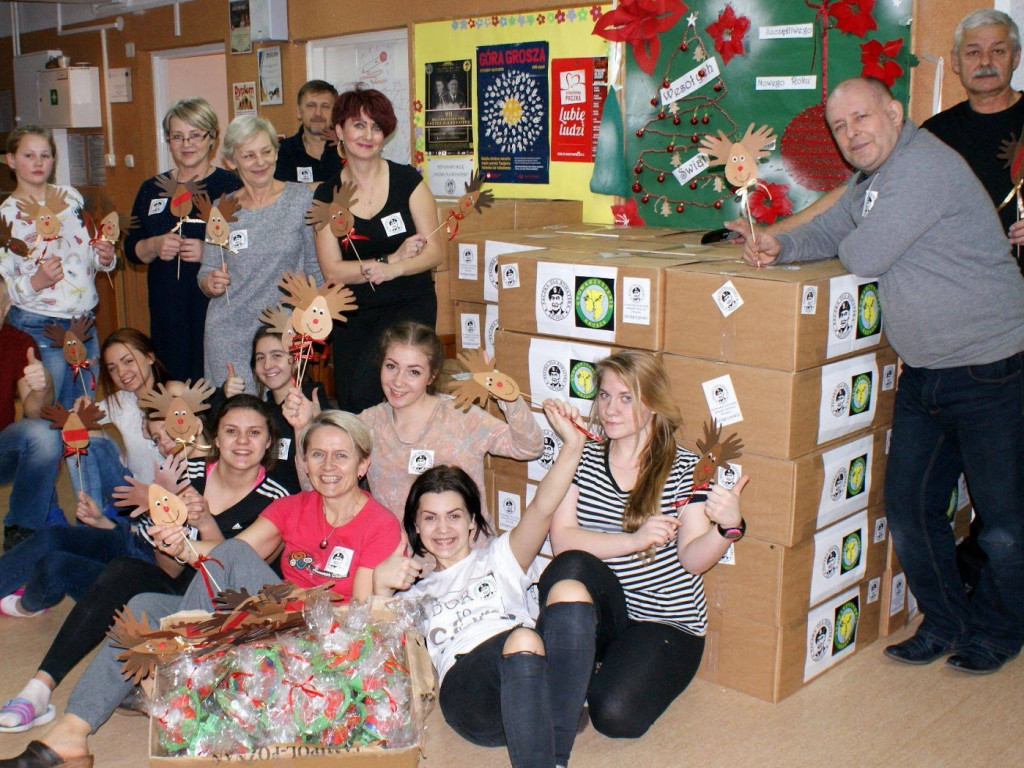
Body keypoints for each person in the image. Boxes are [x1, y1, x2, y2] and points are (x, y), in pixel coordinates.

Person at [730, 76, 1024, 675]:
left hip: (990, 370)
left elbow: (863, 254)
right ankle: (946, 623)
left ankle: (1000, 629)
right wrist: (778, 248)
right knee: (911, 509)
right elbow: (834, 230)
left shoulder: (921, 169)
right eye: (839, 127)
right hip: (926, 371)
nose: (851, 134)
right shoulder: (876, 178)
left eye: (860, 118)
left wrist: (829, 236)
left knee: (1004, 524)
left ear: (894, 114)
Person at [0, 410, 399, 767]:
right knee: (145, 605)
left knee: (230, 561)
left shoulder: (379, 523)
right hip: (268, 621)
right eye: (317, 455)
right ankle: (72, 730)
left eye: (341, 455)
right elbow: (232, 552)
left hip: (320, 639)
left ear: (363, 464)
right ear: (305, 463)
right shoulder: (294, 506)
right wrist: (181, 544)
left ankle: (174, 674)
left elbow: (359, 619)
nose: (328, 466)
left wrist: (206, 555)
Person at [0, 394, 289, 737]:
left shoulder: (277, 498)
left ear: (269, 441)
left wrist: (206, 522)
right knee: (114, 570)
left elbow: (233, 570)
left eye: (254, 433)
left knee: (117, 578)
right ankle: (38, 688)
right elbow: (167, 569)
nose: (242, 441)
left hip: (219, 606)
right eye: (231, 431)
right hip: (173, 586)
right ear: (216, 436)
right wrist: (166, 529)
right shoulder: (188, 472)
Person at [372, 400, 590, 768]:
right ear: (417, 527)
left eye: (454, 516)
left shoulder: (499, 557)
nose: (443, 529)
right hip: (472, 695)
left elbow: (542, 508)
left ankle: (553, 758)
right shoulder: (415, 591)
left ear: (473, 522)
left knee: (571, 591)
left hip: (533, 678)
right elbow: (373, 655)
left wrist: (573, 446)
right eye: (430, 519)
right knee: (524, 636)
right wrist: (380, 588)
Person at [547, 350, 748, 737]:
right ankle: (573, 673)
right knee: (568, 568)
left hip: (666, 620)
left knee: (615, 716)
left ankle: (584, 670)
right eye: (604, 396)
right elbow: (562, 541)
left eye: (626, 398)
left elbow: (692, 559)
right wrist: (633, 540)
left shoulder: (685, 466)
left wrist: (727, 529)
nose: (610, 409)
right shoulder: (582, 456)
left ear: (653, 404)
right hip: (606, 613)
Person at [313, 87, 443, 412]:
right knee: (355, 400)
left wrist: (394, 269)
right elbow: (332, 269)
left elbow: (435, 251)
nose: (368, 135)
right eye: (358, 125)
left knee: (400, 398)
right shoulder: (327, 194)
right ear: (340, 131)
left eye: (376, 127)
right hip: (354, 313)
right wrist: (388, 258)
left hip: (409, 305)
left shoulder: (408, 181)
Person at [355, 321, 542, 521]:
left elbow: (529, 447)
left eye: (414, 372)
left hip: (464, 549)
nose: (398, 381)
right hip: (397, 550)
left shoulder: (461, 415)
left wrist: (508, 395)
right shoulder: (367, 424)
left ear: (431, 376)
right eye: (391, 366)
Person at [198, 115, 322, 393]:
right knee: (235, 418)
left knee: (279, 418)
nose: (260, 162)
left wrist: (315, 319)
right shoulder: (222, 210)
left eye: (267, 152)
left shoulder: (301, 200)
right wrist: (210, 282)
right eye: (249, 155)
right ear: (231, 161)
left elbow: (316, 270)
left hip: (282, 332)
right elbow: (206, 273)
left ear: (276, 153)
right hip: (229, 332)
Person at [124, 98, 242, 382]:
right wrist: (153, 245)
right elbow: (131, 248)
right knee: (174, 387)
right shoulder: (152, 188)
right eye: (177, 136)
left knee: (215, 386)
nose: (186, 144)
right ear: (168, 140)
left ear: (212, 137)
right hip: (167, 309)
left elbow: (248, 246)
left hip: (217, 308)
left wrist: (209, 252)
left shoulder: (231, 186)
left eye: (195, 135)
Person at [0, 126, 116, 410]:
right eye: (29, 155)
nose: (38, 163)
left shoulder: (71, 197)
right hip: (39, 323)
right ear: (11, 160)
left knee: (82, 408)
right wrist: (36, 281)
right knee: (48, 410)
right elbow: (3, 285)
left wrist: (104, 257)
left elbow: (86, 253)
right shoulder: (6, 214)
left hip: (83, 321)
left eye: (45, 155)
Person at [213, 326, 329, 493]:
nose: (267, 365)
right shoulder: (262, 412)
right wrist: (223, 397)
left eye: (276, 355)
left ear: (296, 360)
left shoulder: (314, 402)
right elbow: (218, 444)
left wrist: (314, 424)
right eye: (260, 358)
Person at [71, 328, 167, 509]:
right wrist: (80, 410)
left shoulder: (174, 396)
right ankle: (92, 515)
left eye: (128, 361)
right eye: (113, 369)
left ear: (149, 357)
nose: (122, 373)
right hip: (131, 493)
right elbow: (72, 421)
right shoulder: (122, 400)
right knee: (81, 432)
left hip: (168, 501)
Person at [0, 276, 61, 550]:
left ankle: (22, 529)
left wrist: (42, 385)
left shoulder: (19, 343)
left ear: (6, 307)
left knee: (43, 434)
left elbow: (35, 411)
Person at [274, 79, 343, 184]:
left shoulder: (348, 149)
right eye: (311, 106)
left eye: (325, 106)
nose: (318, 113)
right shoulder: (281, 152)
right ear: (299, 112)